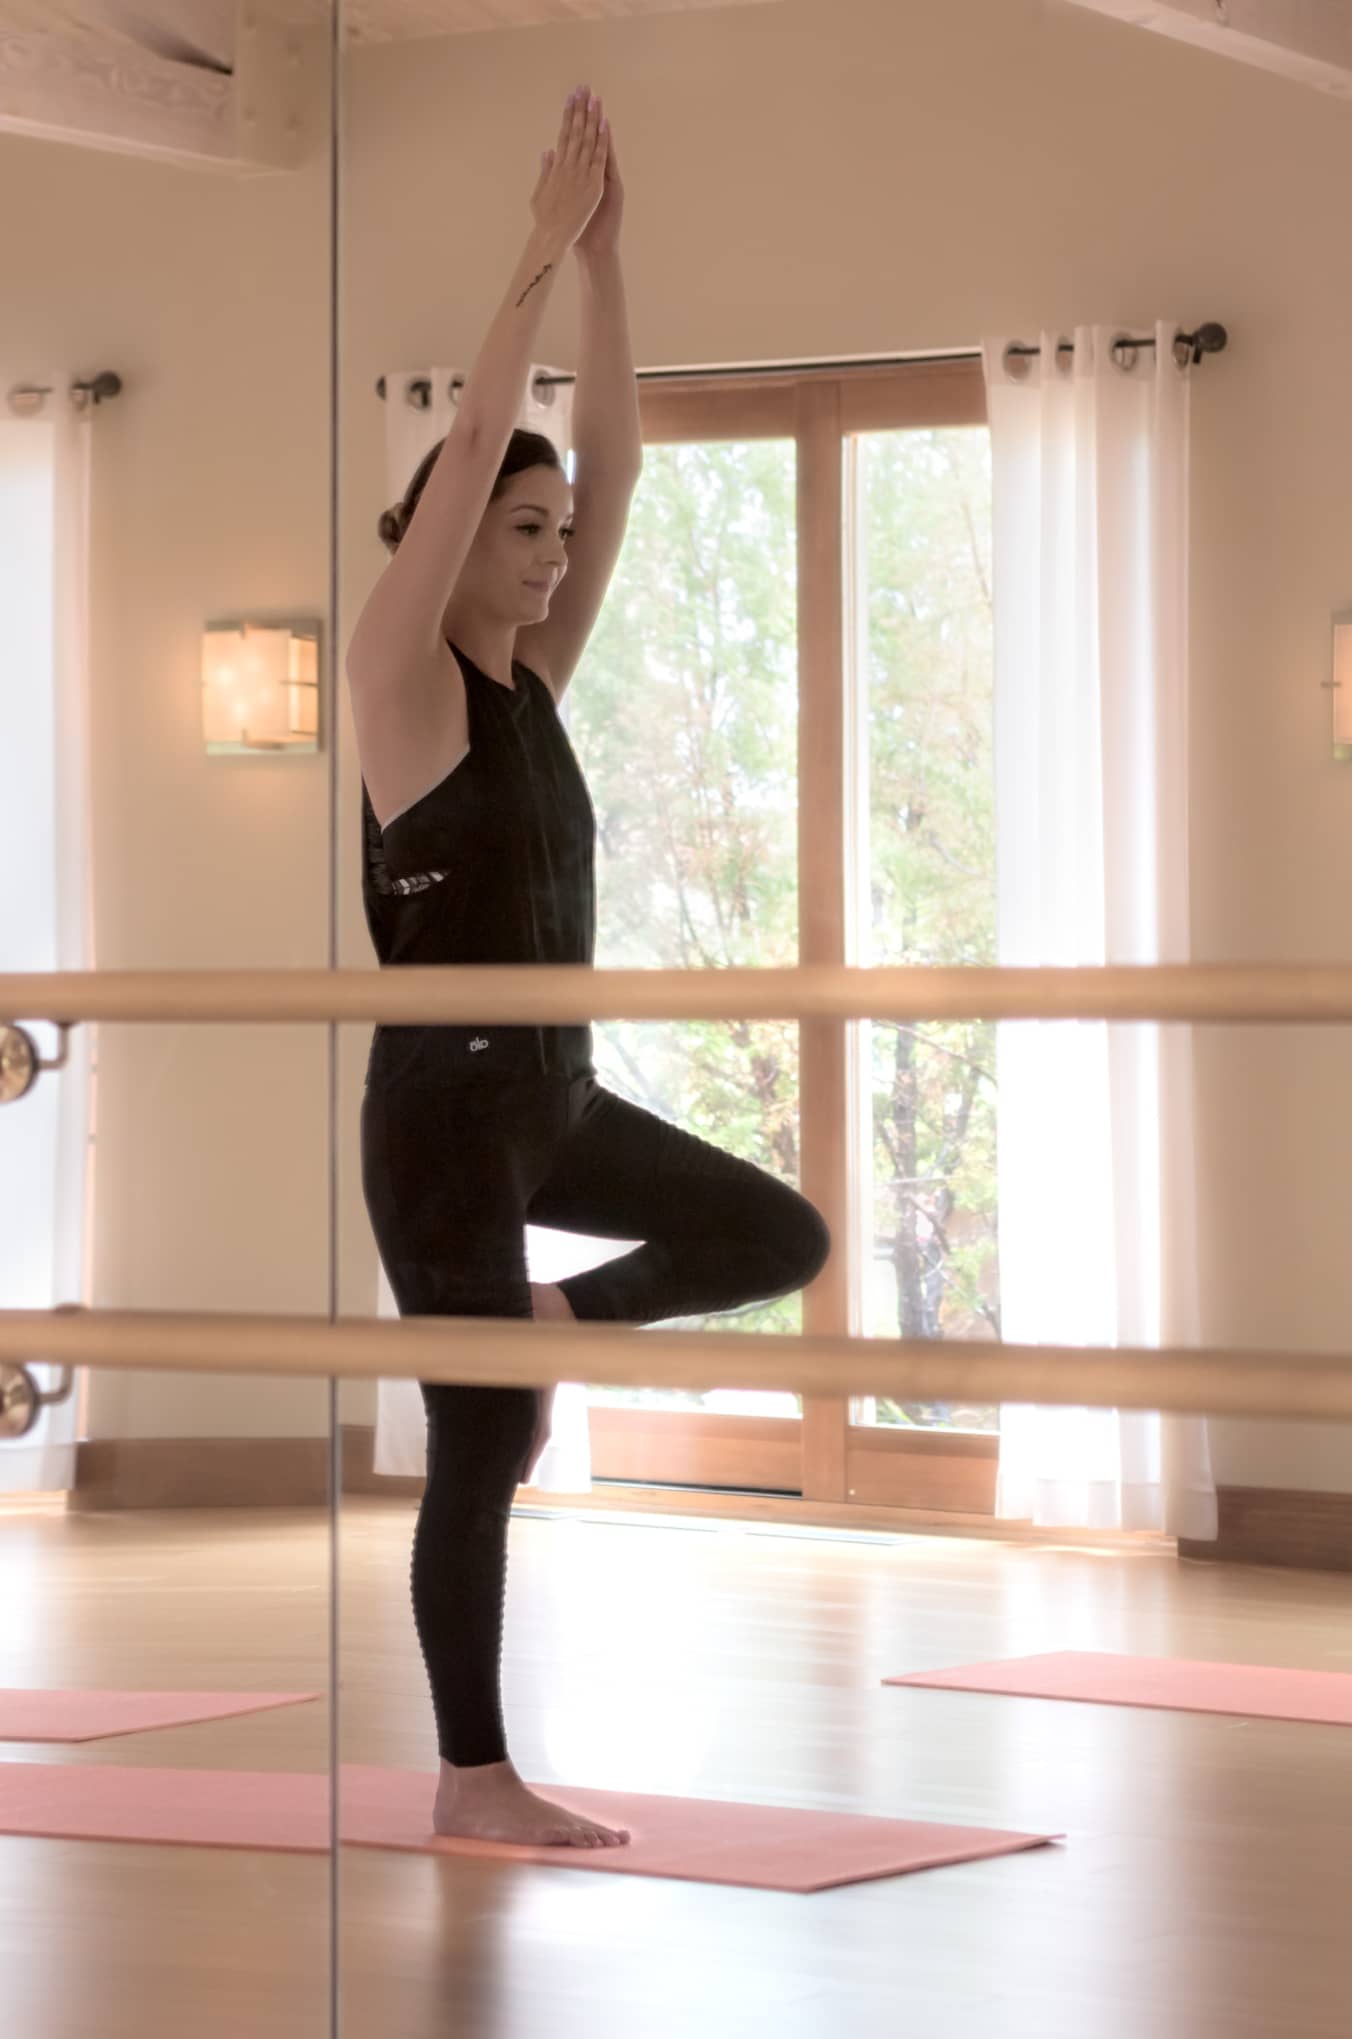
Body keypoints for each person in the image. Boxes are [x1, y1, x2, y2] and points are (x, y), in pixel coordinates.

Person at [348, 86, 830, 1850]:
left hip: (556, 1094)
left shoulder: (537, 683)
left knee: (777, 1233)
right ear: (445, 539)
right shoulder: (402, 683)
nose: (552, 557)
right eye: (519, 531)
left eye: (557, 540)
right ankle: (476, 1781)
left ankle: (551, 1325)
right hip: (446, 1123)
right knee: (487, 1446)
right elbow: (483, 433)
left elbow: (610, 457)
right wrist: (532, 258)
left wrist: (616, 271)